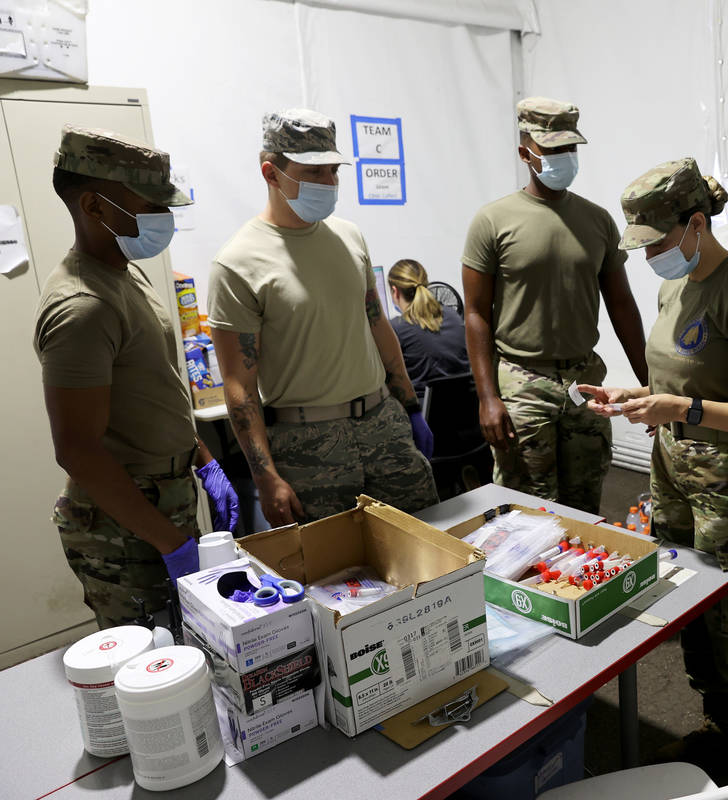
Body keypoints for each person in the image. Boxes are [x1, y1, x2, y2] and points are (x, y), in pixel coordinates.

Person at [580, 157, 728, 770]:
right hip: (678, 486)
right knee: (699, 633)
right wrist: (636, 399)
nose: (651, 255)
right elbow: (679, 380)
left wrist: (684, 406)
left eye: (658, 241)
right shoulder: (672, 286)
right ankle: (720, 732)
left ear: (696, 224)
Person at [35, 125, 238, 628]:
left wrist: (204, 458)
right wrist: (171, 543)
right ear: (94, 206)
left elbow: (153, 388)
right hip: (122, 526)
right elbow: (77, 449)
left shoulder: (124, 271)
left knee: (192, 646)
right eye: (150, 204)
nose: (164, 218)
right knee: (154, 663)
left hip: (163, 498)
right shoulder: (83, 306)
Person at [208, 109, 437, 527]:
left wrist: (410, 408)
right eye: (313, 174)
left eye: (333, 171)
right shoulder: (238, 262)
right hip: (306, 447)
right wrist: (266, 475)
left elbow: (377, 325)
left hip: (382, 425)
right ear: (271, 173)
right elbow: (240, 386)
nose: (328, 184)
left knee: (424, 553)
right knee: (334, 578)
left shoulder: (349, 237)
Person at [461, 96, 648, 515]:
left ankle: (575, 581)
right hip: (523, 381)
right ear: (525, 152)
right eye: (552, 150)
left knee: (585, 505)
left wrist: (650, 385)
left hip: (585, 382)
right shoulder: (493, 221)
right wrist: (487, 397)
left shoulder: (598, 220)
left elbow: (621, 304)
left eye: (570, 149)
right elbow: (475, 313)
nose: (564, 159)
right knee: (527, 509)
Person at [386, 259, 469, 396]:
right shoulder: (454, 316)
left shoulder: (395, 329)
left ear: (395, 292)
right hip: (465, 407)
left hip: (421, 413)